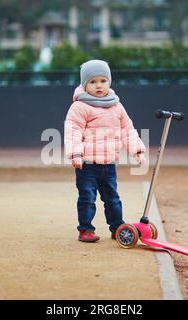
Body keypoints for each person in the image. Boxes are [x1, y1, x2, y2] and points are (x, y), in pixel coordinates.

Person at [64, 59, 146, 242]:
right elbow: (73, 131)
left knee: (113, 199)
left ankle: (117, 227)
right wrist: (75, 154)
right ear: (84, 85)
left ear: (109, 82)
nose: (98, 86)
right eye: (92, 82)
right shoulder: (80, 106)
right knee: (87, 198)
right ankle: (85, 229)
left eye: (103, 81)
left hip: (109, 165)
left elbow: (127, 130)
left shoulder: (116, 106)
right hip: (87, 165)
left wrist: (137, 150)